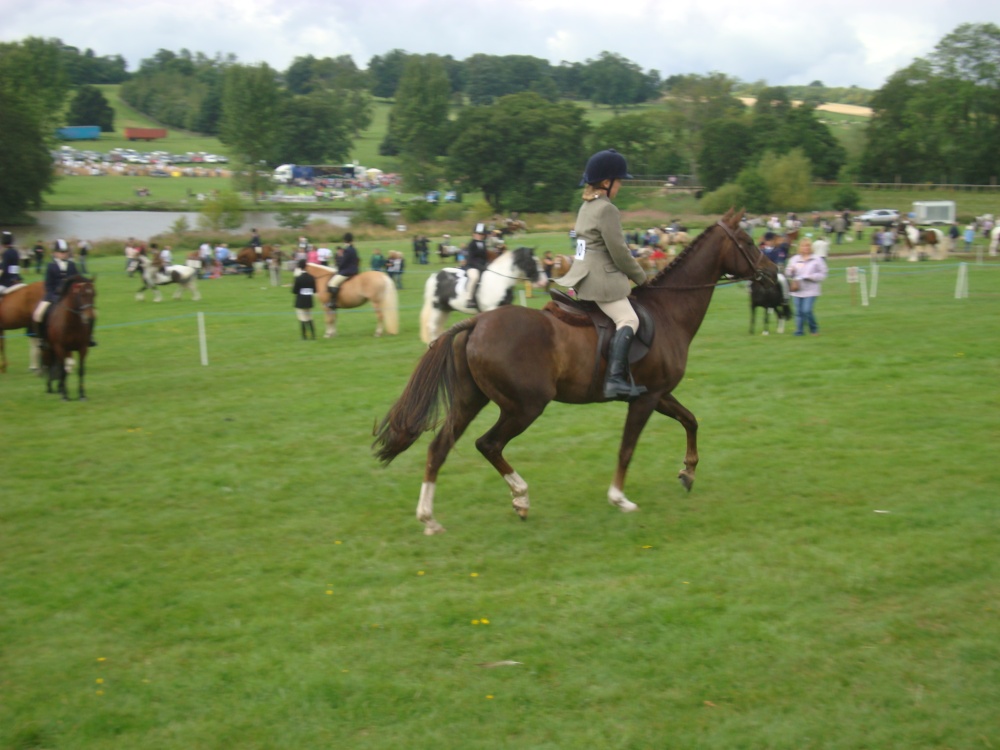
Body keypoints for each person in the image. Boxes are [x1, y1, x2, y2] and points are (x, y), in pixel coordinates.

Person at [555, 148, 648, 401]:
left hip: (583, 276)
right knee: (629, 320)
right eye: (618, 181)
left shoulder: (586, 206)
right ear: (606, 183)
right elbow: (619, 252)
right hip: (601, 281)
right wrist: (642, 278)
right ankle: (616, 380)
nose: (620, 187)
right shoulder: (607, 209)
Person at [32, 240, 97, 346]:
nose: (64, 254)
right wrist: (53, 296)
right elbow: (48, 285)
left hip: (69, 297)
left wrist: (88, 281)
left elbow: (79, 277)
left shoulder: (72, 265)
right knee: (38, 314)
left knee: (92, 314)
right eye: (61, 252)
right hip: (52, 296)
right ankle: (42, 339)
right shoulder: (50, 266)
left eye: (65, 252)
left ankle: (89, 337)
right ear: (56, 253)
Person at [785, 237, 828, 336]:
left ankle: (813, 329)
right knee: (798, 312)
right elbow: (788, 273)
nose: (806, 248)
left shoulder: (817, 259)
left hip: (811, 290)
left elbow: (823, 274)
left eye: (808, 246)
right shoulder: (794, 259)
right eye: (804, 246)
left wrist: (811, 277)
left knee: (807, 310)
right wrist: (790, 271)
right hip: (797, 289)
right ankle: (799, 331)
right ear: (800, 247)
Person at [326, 232, 359, 309]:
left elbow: (343, 262)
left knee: (332, 283)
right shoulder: (354, 249)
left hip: (347, 271)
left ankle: (333, 303)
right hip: (354, 270)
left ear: (345, 240)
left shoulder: (347, 250)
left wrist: (337, 268)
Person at [463, 224, 489, 309]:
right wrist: (480, 267)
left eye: (482, 234)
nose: (480, 236)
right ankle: (469, 299)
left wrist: (487, 265)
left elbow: (485, 258)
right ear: (474, 234)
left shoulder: (483, 244)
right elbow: (471, 259)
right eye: (478, 234)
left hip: (482, 267)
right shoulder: (471, 245)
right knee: (474, 277)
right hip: (471, 267)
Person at [291, 259, 316, 340]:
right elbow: (314, 290)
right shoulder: (312, 277)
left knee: (302, 318)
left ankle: (304, 336)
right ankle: (313, 335)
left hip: (300, 300)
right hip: (309, 300)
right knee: (309, 318)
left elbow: (294, 291)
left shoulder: (298, 278)